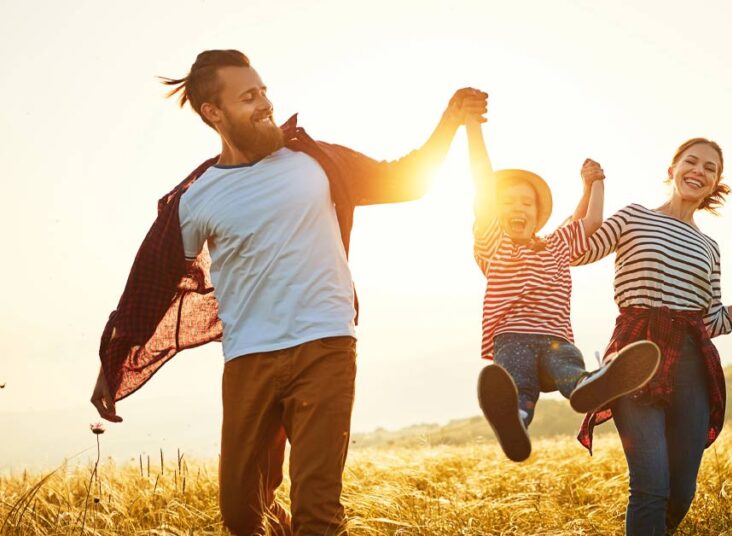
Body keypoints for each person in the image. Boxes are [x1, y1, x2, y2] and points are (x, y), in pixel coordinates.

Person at [89, 49, 486, 535]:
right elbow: (150, 283)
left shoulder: (315, 160)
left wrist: (448, 120)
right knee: (242, 514)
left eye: (263, 91)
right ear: (214, 113)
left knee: (317, 510)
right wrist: (114, 362)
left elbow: (406, 179)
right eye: (249, 96)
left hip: (325, 347)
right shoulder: (198, 197)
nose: (265, 103)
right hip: (248, 359)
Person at [573, 138, 732, 534]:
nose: (699, 171)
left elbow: (714, 321)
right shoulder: (635, 217)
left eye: (710, 168)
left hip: (691, 363)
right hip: (636, 357)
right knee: (650, 486)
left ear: (714, 185)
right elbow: (580, 250)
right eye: (691, 162)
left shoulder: (710, 247)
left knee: (680, 492)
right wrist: (593, 187)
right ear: (671, 169)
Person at [466, 119, 660, 462]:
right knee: (518, 387)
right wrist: (473, 130)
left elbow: (590, 221)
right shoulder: (493, 244)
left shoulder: (556, 245)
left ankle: (591, 386)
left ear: (539, 215)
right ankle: (516, 424)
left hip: (557, 339)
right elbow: (482, 181)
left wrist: (595, 183)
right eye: (508, 203)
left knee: (569, 371)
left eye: (526, 204)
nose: (518, 208)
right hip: (512, 338)